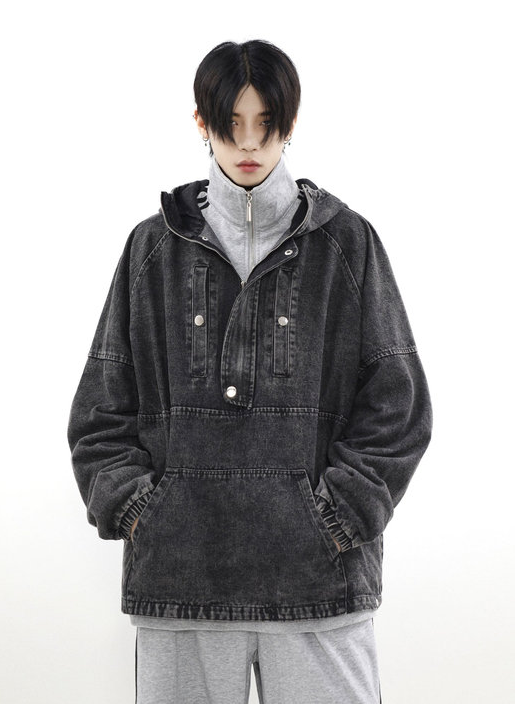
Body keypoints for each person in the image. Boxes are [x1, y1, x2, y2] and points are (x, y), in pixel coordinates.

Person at [68, 39, 433, 704]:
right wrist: (147, 513)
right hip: (181, 583)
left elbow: (398, 406)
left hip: (319, 584)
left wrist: (335, 520)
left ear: (290, 124)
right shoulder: (151, 249)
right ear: (200, 122)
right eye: (230, 123)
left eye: (265, 124)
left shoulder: (345, 242)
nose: (248, 144)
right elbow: (100, 412)